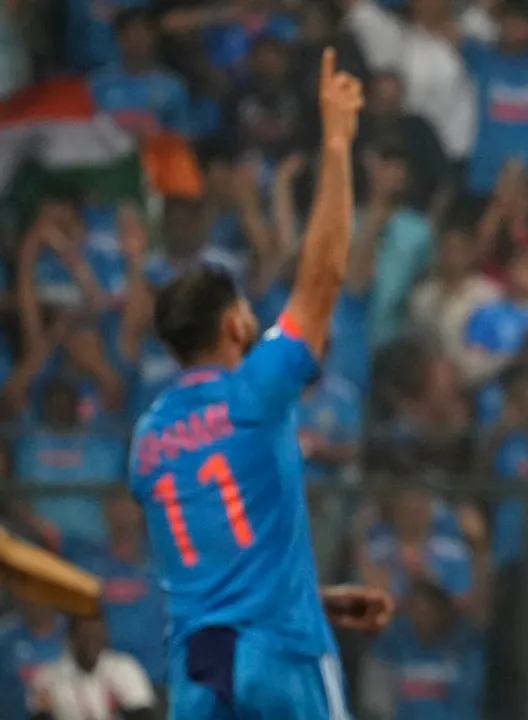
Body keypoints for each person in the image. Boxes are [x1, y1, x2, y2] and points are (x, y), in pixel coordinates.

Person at [127, 50, 393, 719]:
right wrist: (336, 143)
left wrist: (318, 593)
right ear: (232, 322)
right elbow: (324, 274)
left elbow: (216, 568)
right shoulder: (255, 392)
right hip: (279, 655)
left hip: (197, 670)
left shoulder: (147, 439)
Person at [26, 614, 156, 720]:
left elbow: (144, 715)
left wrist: (119, 708)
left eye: (96, 636)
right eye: (85, 637)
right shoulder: (48, 676)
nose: (91, 644)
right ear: (72, 638)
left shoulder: (125, 668)